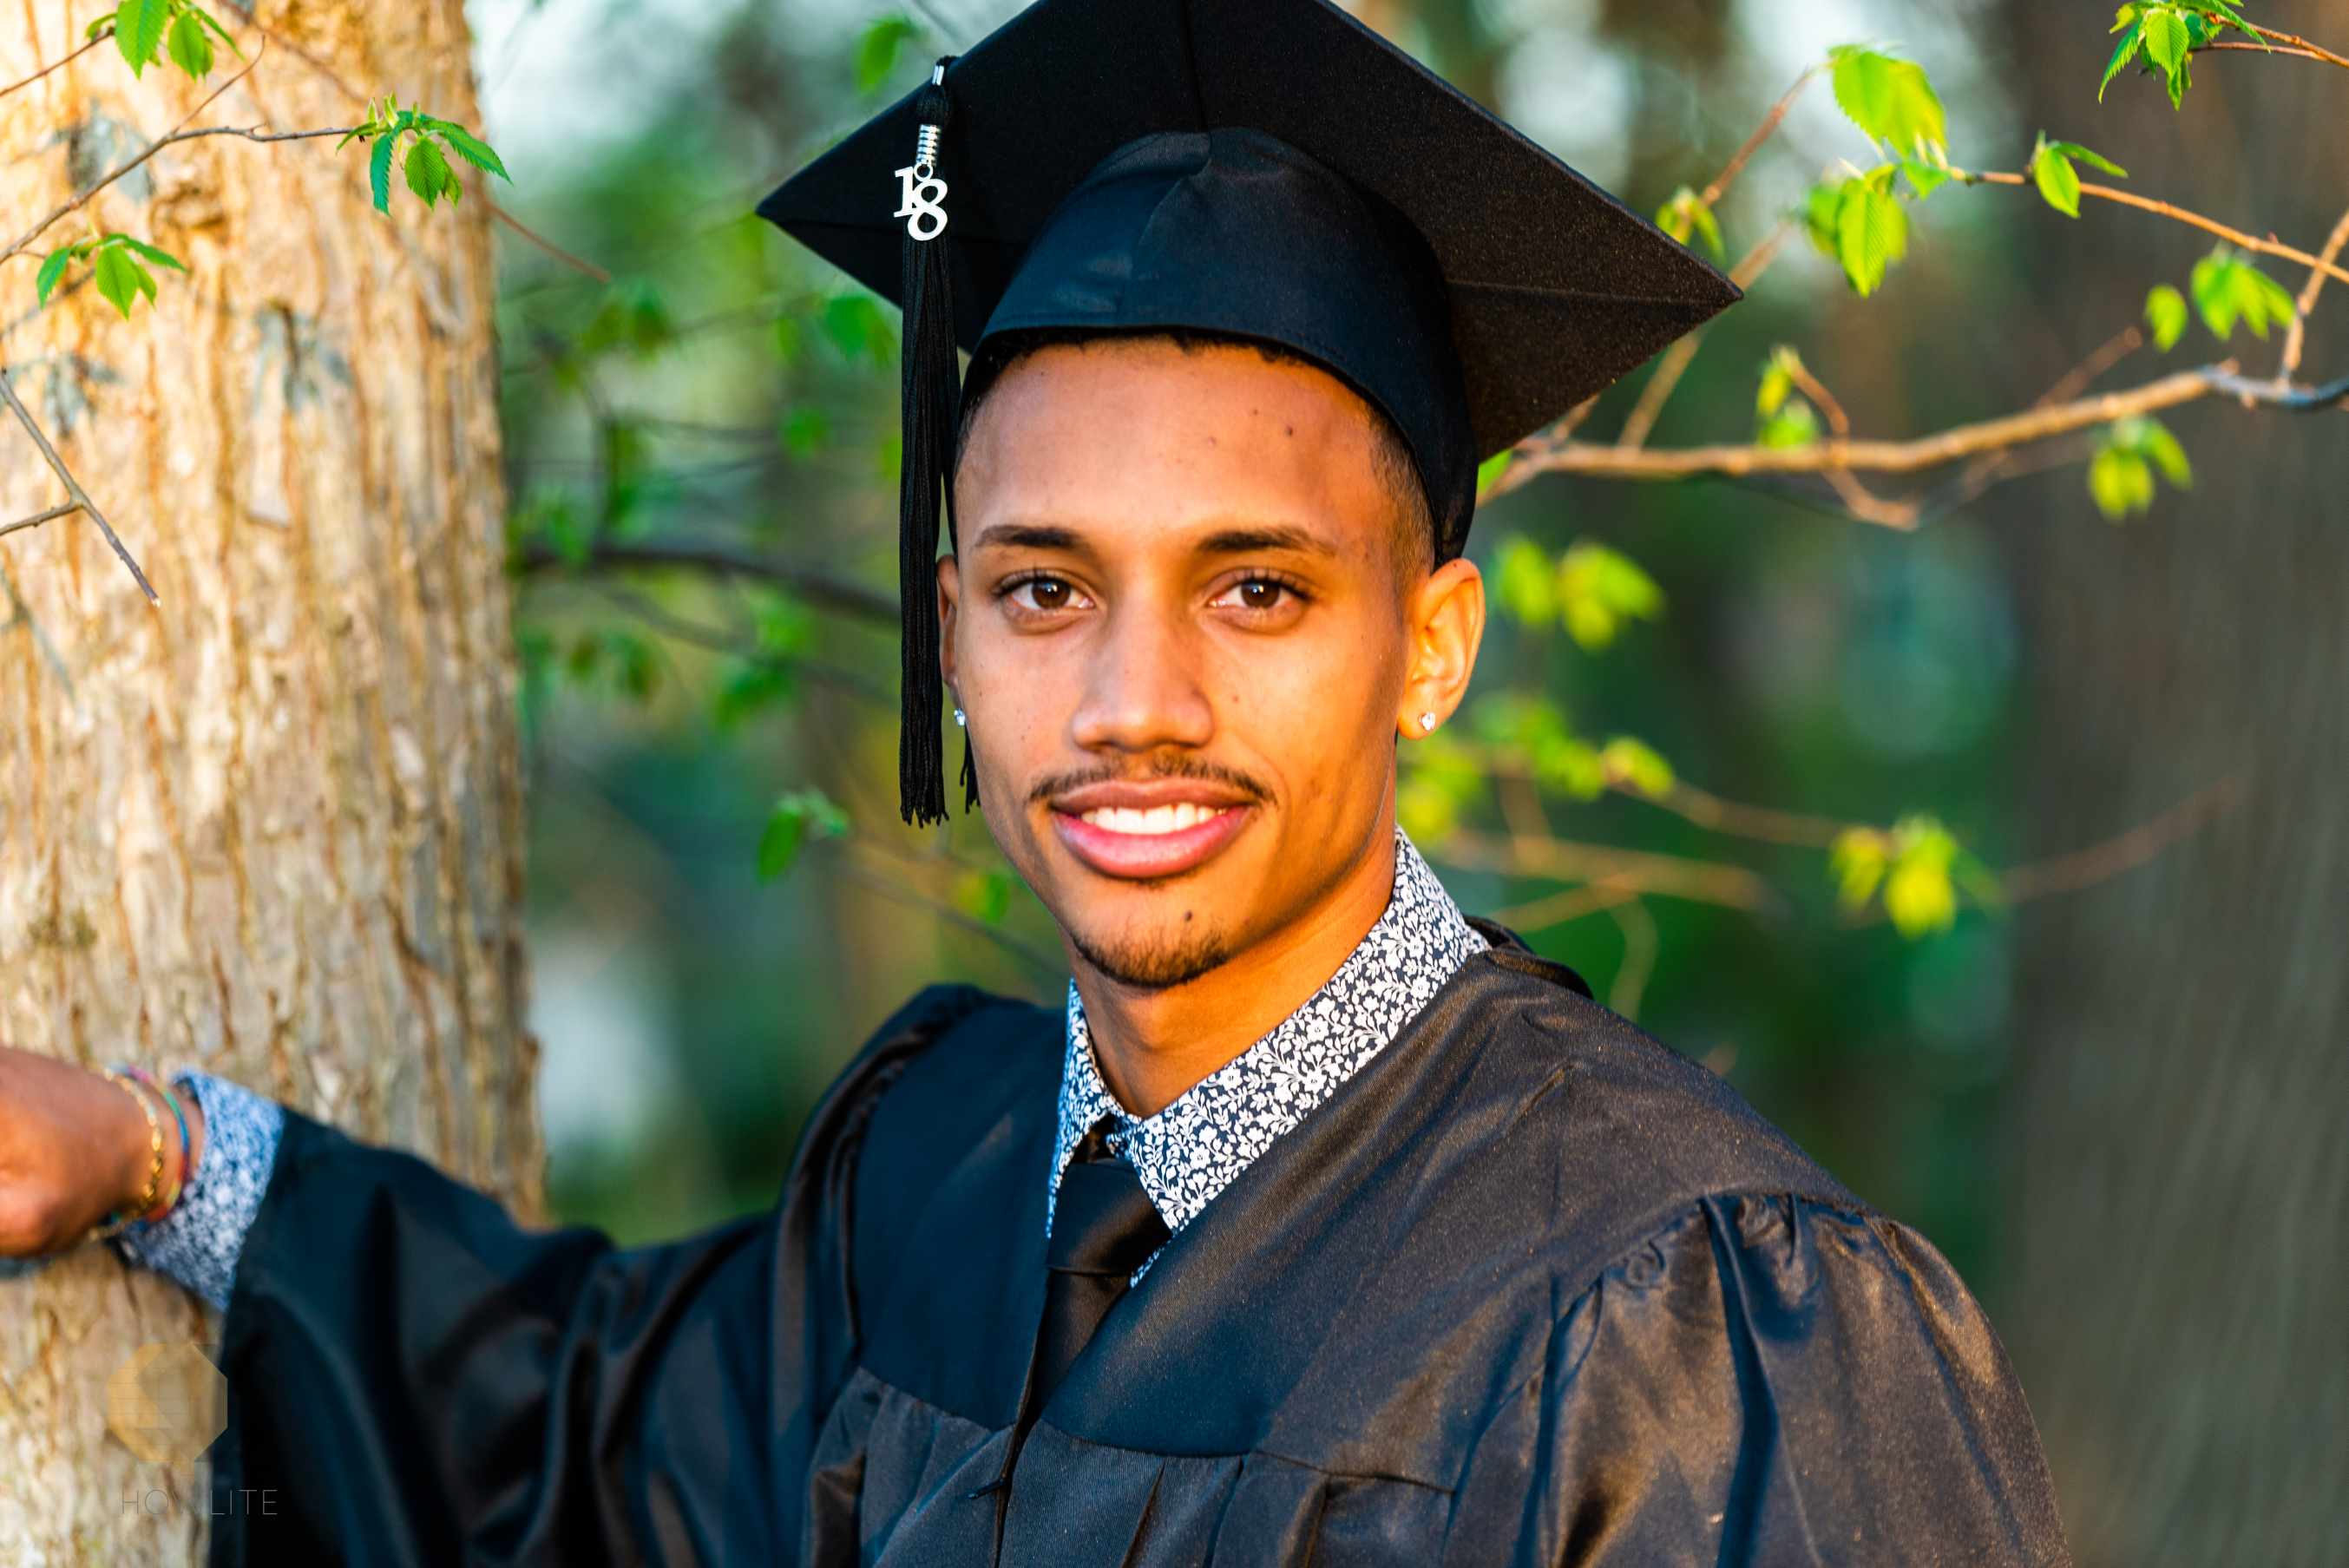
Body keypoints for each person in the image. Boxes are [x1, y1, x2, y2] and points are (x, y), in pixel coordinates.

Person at [0, 0, 2075, 1561]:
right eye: (1043, 587)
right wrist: (153, 1154)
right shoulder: (944, 1167)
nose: (1128, 698)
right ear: (952, 629)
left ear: (1428, 645)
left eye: (1254, 591)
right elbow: (588, 1424)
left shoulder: (1687, 1324)